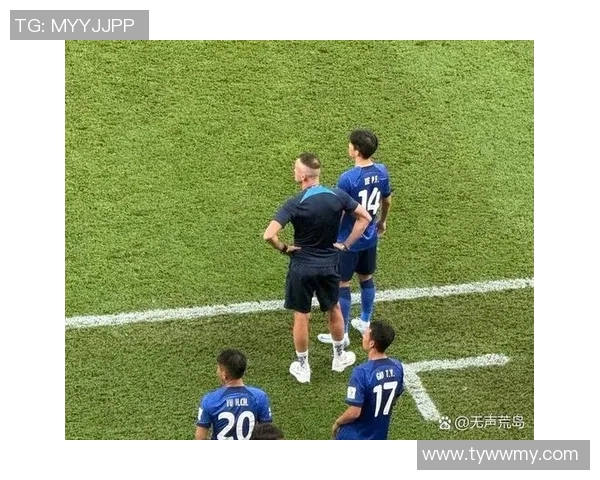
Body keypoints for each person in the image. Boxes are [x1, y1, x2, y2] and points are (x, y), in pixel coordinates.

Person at [263, 152, 372, 384]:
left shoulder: (295, 203)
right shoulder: (337, 196)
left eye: (295, 169)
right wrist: (346, 244)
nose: (293, 172)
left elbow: (269, 235)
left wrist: (285, 248)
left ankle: (303, 367)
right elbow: (365, 218)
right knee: (334, 308)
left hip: (302, 266)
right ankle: (339, 357)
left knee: (301, 316)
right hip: (329, 264)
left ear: (303, 176)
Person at [318, 129, 392, 347]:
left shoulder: (348, 178)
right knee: (366, 278)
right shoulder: (382, 171)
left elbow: (340, 211)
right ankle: (365, 321)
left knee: (343, 283)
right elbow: (387, 200)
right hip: (370, 237)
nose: (348, 147)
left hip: (348, 239)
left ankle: (343, 332)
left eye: (351, 145)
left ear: (357, 151)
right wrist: (382, 221)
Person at [332, 321, 404, 440]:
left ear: (372, 343)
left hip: (355, 436)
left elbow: (354, 412)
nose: (363, 336)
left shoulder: (361, 372)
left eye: (366, 334)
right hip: (379, 434)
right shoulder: (397, 367)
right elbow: (397, 394)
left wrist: (338, 422)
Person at [195, 349, 273, 440]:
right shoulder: (260, 396)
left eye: (218, 368)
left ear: (224, 374)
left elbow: (200, 437)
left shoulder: (210, 400)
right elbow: (268, 434)